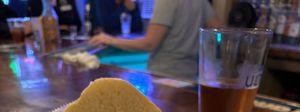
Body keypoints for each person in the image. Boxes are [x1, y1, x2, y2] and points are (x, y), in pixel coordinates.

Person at [90, 0, 220, 81]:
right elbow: (219, 31)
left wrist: (109, 39)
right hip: (190, 75)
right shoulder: (202, 2)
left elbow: (149, 43)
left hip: (163, 75)